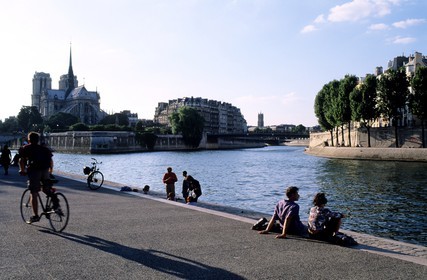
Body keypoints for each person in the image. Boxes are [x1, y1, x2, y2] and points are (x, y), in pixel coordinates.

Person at [19, 132, 58, 224]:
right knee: (45, 188)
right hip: (45, 170)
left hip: (34, 171)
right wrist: (50, 171)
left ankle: (35, 216)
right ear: (38, 140)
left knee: (34, 192)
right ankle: (54, 200)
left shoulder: (26, 148)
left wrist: (22, 170)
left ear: (29, 140)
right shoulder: (45, 149)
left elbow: (21, 160)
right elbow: (51, 161)